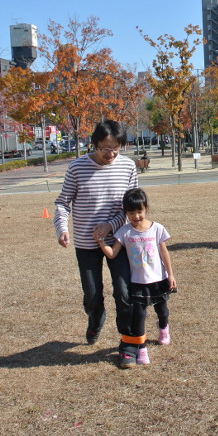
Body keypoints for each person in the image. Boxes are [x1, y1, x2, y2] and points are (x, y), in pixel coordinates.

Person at [54, 120, 138, 353]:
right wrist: (62, 228)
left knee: (124, 292)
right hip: (85, 242)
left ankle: (127, 343)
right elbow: (62, 203)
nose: (110, 154)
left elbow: (130, 208)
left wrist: (110, 226)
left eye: (115, 148)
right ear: (94, 145)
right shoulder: (77, 168)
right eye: (104, 148)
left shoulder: (128, 167)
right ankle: (96, 317)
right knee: (92, 296)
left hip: (118, 241)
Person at [96, 188, 176, 368]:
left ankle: (163, 328)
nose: (136, 216)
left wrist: (170, 275)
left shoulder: (157, 228)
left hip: (158, 280)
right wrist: (101, 241)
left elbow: (164, 253)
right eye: (131, 213)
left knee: (162, 310)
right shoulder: (124, 232)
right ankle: (141, 349)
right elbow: (112, 254)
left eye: (139, 211)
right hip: (137, 283)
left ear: (145, 209)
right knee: (139, 317)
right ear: (126, 213)